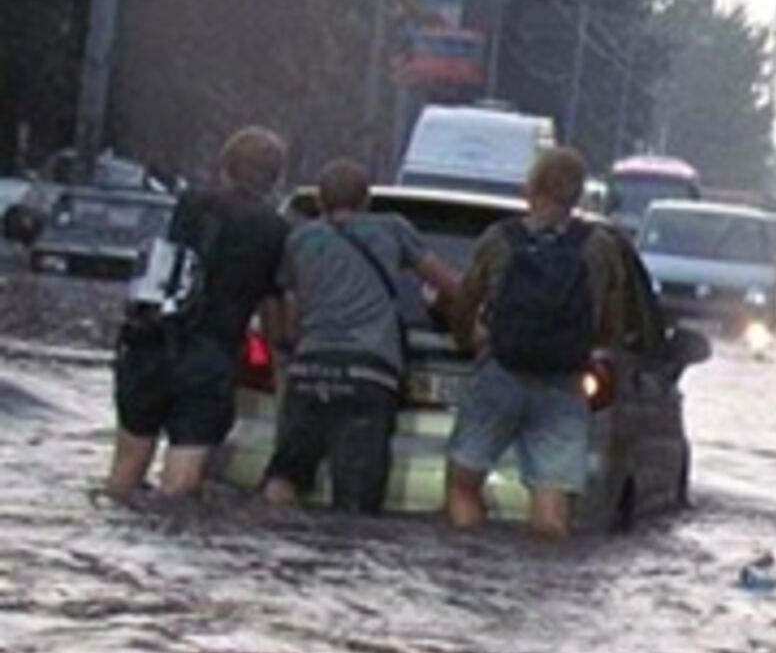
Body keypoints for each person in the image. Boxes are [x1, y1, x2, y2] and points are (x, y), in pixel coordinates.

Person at [444, 147, 636, 538]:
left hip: (499, 374)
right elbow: (612, 327)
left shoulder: (499, 239)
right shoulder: (600, 247)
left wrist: (469, 340)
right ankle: (542, 579)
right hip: (564, 384)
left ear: (532, 187)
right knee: (552, 503)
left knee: (463, 485)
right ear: (579, 193)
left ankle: (468, 559)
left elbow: (465, 301)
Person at [260, 159, 463, 513]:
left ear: (320, 202)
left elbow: (288, 316)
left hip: (309, 371)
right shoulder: (393, 230)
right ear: (367, 200)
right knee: (356, 500)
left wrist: (285, 347)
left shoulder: (300, 239)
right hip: (370, 375)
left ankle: (265, 531)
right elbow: (450, 285)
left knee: (284, 476)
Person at [107, 127, 290, 499]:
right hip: (210, 358)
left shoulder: (192, 203)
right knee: (182, 481)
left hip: (151, 343)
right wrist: (279, 363)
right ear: (274, 178)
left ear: (225, 166)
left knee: (125, 469)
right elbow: (273, 309)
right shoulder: (275, 229)